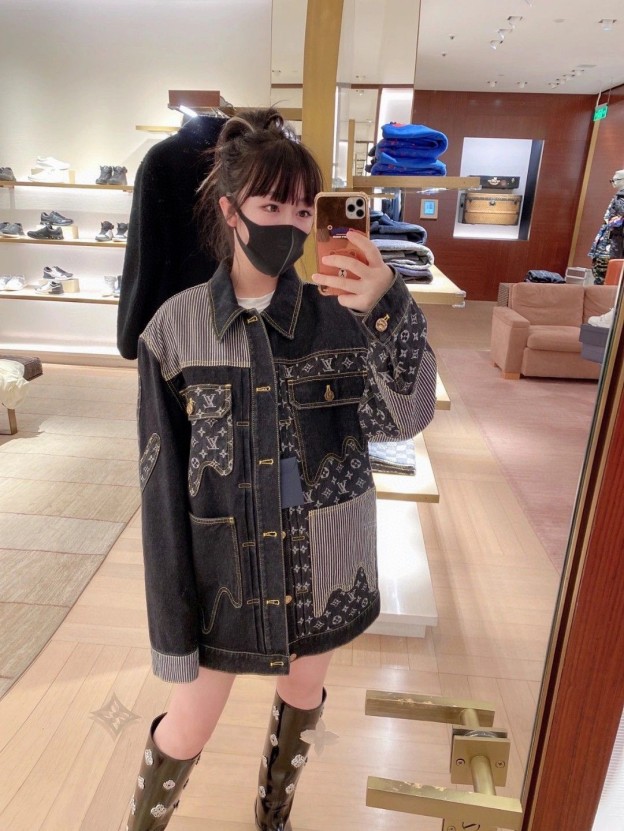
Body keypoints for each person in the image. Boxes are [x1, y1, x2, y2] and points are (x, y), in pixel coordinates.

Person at [127, 108, 437, 830]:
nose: (290, 226)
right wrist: (171, 625)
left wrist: (389, 307)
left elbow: (408, 415)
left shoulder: (343, 316)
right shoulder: (175, 329)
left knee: (303, 695)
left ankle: (274, 815)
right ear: (229, 210)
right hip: (226, 576)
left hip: (322, 564)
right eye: (270, 207)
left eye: (303, 211)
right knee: (189, 723)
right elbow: (160, 491)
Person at [588, 168, 624, 285]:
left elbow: (617, 219)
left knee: (606, 276)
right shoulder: (618, 196)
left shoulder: (621, 197)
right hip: (608, 240)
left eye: (615, 180)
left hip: (613, 243)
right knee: (601, 273)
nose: (613, 182)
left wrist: (616, 220)